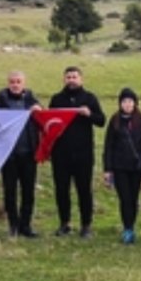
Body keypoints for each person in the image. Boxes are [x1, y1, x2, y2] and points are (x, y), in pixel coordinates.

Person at [48, 66, 106, 238]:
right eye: (68, 77)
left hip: (83, 154)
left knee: (84, 190)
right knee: (61, 190)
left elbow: (101, 121)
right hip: (60, 154)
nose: (71, 80)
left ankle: (86, 225)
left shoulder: (89, 98)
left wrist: (89, 114)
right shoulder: (57, 99)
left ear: (81, 79)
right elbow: (48, 124)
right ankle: (64, 223)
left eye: (74, 77)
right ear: (64, 79)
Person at [0, 71, 42, 238]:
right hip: (8, 155)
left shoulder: (31, 101)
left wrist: (39, 111)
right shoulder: (0, 103)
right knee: (10, 192)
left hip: (28, 153)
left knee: (28, 192)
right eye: (12, 81)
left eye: (18, 81)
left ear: (24, 83)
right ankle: (13, 225)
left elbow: (44, 122)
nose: (15, 84)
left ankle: (25, 226)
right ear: (8, 83)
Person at [104, 88, 141, 244]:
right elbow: (108, 145)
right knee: (125, 198)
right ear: (120, 103)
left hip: (137, 167)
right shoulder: (115, 121)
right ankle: (127, 228)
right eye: (124, 101)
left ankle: (131, 226)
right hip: (119, 166)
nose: (127, 104)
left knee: (133, 198)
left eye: (130, 101)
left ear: (135, 103)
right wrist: (108, 169)